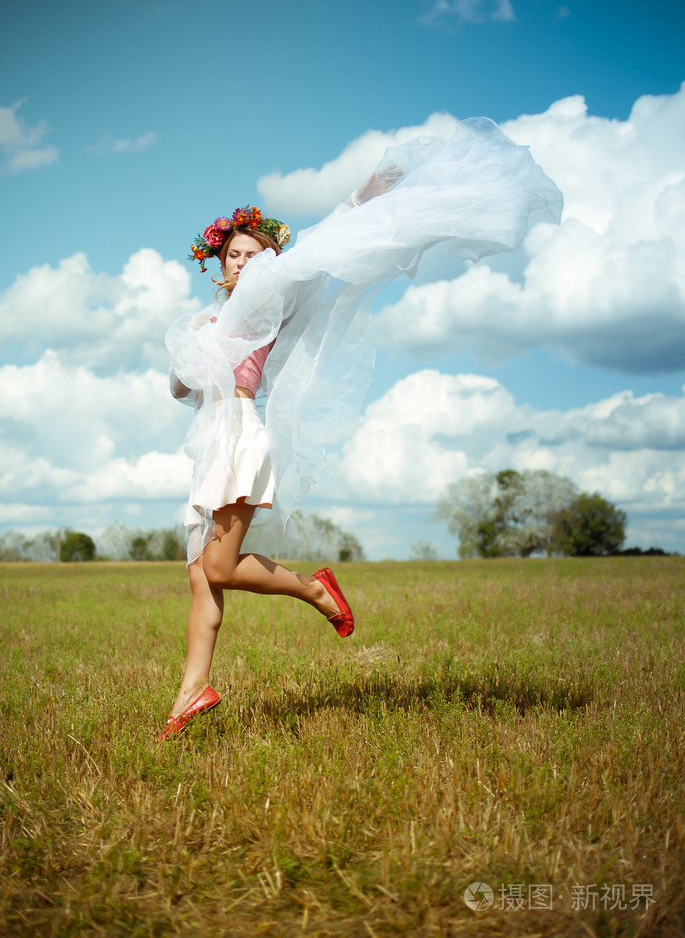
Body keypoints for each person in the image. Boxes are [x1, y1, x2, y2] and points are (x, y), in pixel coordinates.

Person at [160, 119, 563, 739]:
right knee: (200, 574)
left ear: (268, 259)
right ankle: (190, 694)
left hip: (240, 433)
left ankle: (314, 589)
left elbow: (328, 244)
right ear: (218, 261)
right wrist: (187, 355)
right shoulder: (204, 318)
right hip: (207, 440)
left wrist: (366, 194)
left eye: (256, 253)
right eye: (235, 254)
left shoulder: (272, 293)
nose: (246, 262)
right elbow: (179, 388)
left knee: (216, 568)